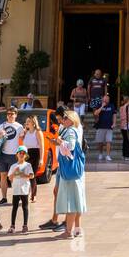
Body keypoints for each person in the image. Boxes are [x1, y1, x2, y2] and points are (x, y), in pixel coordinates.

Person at [53, 110, 86, 238]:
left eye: (66, 117)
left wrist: (60, 142)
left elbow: (70, 146)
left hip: (69, 171)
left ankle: (68, 232)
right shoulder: (75, 129)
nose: (63, 119)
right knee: (77, 199)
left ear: (72, 119)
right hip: (76, 171)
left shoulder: (70, 131)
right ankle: (77, 229)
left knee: (71, 200)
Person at [0, 109, 24, 204]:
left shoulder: (19, 127)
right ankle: (4, 198)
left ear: (16, 115)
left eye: (12, 114)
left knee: (14, 177)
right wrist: (0, 136)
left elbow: (23, 139)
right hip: (2, 154)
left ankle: (16, 197)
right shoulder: (1, 126)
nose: (10, 115)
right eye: (8, 114)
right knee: (3, 176)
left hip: (14, 155)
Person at [7, 146, 33, 233]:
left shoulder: (28, 165)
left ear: (26, 155)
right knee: (14, 207)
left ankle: (25, 225)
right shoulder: (13, 166)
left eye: (23, 153)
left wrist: (23, 175)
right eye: (20, 153)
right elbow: (10, 178)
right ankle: (12, 225)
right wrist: (15, 172)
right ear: (17, 154)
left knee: (25, 207)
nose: (21, 155)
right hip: (16, 190)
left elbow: (31, 176)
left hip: (24, 189)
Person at [21, 114, 43, 201]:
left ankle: (33, 196)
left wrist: (41, 159)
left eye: (29, 121)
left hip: (35, 154)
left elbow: (42, 146)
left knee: (32, 175)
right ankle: (26, 194)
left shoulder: (38, 132)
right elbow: (22, 141)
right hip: (27, 154)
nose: (26, 123)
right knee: (25, 175)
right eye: (26, 122)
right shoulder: (26, 132)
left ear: (33, 123)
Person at [94, 95, 115, 161]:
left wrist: (114, 123)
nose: (106, 100)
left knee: (108, 141)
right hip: (100, 126)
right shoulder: (99, 105)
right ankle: (100, 154)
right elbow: (95, 113)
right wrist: (102, 106)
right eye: (104, 99)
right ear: (102, 99)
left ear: (109, 100)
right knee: (100, 142)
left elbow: (114, 115)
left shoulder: (112, 106)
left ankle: (108, 155)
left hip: (109, 126)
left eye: (107, 99)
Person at [117, 95, 129, 160]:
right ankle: (127, 156)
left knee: (125, 141)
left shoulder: (121, 107)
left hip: (122, 126)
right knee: (128, 142)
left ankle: (124, 155)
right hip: (128, 126)